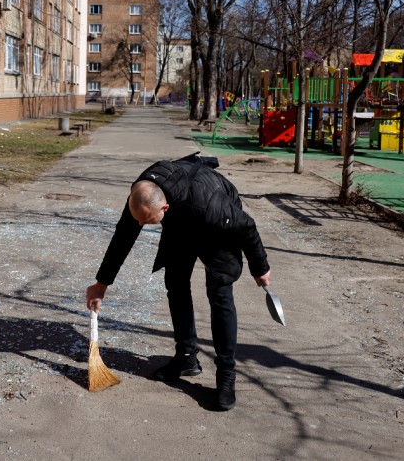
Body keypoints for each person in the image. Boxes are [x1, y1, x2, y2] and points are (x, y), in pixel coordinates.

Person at [85, 155, 271, 410]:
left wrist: (260, 267)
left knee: (219, 293)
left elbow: (247, 227)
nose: (140, 224)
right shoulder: (144, 193)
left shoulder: (212, 208)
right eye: (138, 218)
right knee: (175, 282)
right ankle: (186, 358)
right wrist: (101, 284)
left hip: (217, 228)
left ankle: (226, 375)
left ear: (164, 209)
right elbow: (124, 235)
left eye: (146, 221)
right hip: (182, 220)